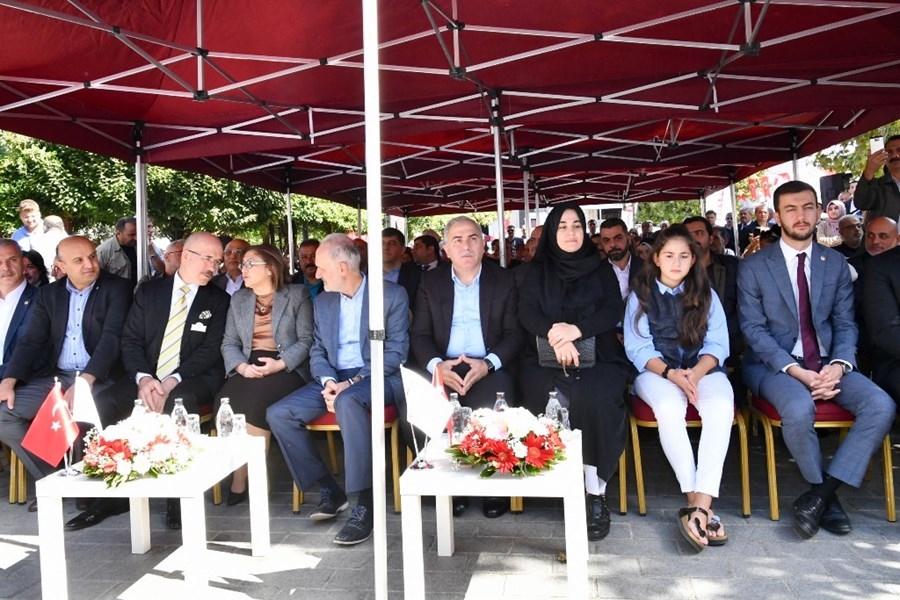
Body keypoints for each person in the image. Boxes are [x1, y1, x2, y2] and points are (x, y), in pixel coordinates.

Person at [738, 180, 895, 538]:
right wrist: (800, 373)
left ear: (819, 210)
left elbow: (845, 322)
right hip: (774, 365)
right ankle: (824, 494)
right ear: (777, 216)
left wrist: (838, 365)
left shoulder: (835, 263)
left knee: (880, 405)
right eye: (791, 209)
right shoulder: (754, 266)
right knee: (798, 409)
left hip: (827, 361)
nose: (801, 215)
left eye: (808, 206)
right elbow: (754, 331)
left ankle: (821, 495)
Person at [69, 232, 230, 531]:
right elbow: (130, 340)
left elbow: (210, 351)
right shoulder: (149, 292)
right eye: (209, 259)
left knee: (180, 403)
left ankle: (176, 497)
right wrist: (144, 380)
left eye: (217, 261)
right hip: (147, 373)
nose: (214, 267)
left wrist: (170, 381)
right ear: (186, 256)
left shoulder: (218, 298)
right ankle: (110, 493)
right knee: (102, 404)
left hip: (193, 375)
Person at [267, 234, 408, 546]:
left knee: (348, 402)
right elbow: (317, 351)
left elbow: (395, 354)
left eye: (321, 268)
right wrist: (330, 381)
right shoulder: (325, 301)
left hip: (377, 377)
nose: (316, 275)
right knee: (279, 413)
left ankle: (364, 504)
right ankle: (329, 488)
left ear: (343, 267)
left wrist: (352, 383)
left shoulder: (391, 296)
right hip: (334, 379)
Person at [517, 203, 630, 542]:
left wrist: (575, 330)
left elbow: (612, 309)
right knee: (549, 395)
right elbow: (526, 311)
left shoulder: (600, 269)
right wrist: (556, 336)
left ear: (585, 231)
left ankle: (595, 493)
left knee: (594, 398)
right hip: (543, 358)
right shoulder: (534, 272)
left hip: (599, 356)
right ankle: (553, 481)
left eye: (577, 226)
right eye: (563, 226)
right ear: (551, 231)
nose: (570, 233)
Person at [624, 225, 733, 551]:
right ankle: (699, 505)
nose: (676, 262)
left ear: (693, 259)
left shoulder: (707, 294)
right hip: (657, 372)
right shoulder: (640, 296)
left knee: (720, 409)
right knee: (669, 409)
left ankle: (698, 508)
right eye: (668, 255)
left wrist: (696, 373)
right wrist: (673, 374)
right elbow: (638, 349)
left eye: (683, 256)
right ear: (656, 258)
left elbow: (718, 343)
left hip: (703, 369)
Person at [410, 216, 522, 519]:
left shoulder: (504, 279)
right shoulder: (430, 282)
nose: (466, 245)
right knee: (421, 400)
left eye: (473, 237)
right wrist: (437, 367)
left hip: (487, 364)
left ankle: (492, 486)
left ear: (484, 242)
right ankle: (450, 487)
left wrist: (487, 364)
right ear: (445, 248)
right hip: (444, 366)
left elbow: (515, 333)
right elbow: (419, 335)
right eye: (457, 240)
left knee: (498, 396)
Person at [0, 236, 131, 489]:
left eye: (92, 256)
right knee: (4, 416)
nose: (89, 264)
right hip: (58, 377)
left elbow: (111, 338)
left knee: (83, 414)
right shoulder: (49, 295)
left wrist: (85, 381)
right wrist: (8, 381)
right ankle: (56, 480)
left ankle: (85, 486)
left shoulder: (117, 288)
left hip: (101, 376)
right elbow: (31, 342)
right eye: (79, 260)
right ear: (60, 265)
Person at [217, 244, 313, 505]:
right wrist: (241, 367)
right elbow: (228, 343)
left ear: (270, 268)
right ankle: (242, 476)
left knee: (254, 402)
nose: (241, 268)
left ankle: (254, 479)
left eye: (249, 264)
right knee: (226, 401)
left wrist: (279, 364)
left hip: (285, 368)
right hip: (247, 365)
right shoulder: (239, 298)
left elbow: (306, 341)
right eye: (242, 264)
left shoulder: (297, 294)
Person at [0, 240, 40, 380]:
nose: (5, 267)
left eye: (12, 260)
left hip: (22, 383)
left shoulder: (42, 301)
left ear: (23, 264)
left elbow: (39, 356)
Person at [854, 134, 900, 222]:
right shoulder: (878, 186)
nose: (895, 155)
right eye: (889, 152)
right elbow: (861, 203)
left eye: (899, 150)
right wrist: (869, 170)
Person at [598, 217, 642, 300]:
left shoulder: (646, 268)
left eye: (618, 238)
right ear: (601, 243)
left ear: (628, 238)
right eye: (606, 240)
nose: (613, 244)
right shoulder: (596, 272)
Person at [381, 227, 420, 310]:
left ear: (403, 250)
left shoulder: (417, 276)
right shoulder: (366, 273)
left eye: (391, 243)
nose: (385, 247)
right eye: (382, 243)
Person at [96, 216, 138, 287]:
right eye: (132, 234)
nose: (136, 238)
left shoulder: (140, 246)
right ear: (118, 233)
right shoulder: (104, 251)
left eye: (138, 234)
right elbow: (97, 279)